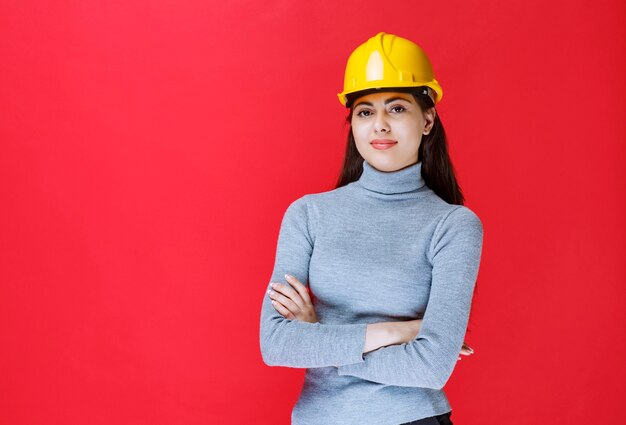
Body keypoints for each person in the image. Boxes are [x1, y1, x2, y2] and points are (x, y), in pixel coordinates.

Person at [259, 32, 484, 425]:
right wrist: (401, 332)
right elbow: (276, 344)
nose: (379, 125)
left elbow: (430, 368)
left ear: (427, 119)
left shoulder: (453, 226)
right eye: (365, 112)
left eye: (397, 109)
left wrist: (320, 338)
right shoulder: (308, 214)